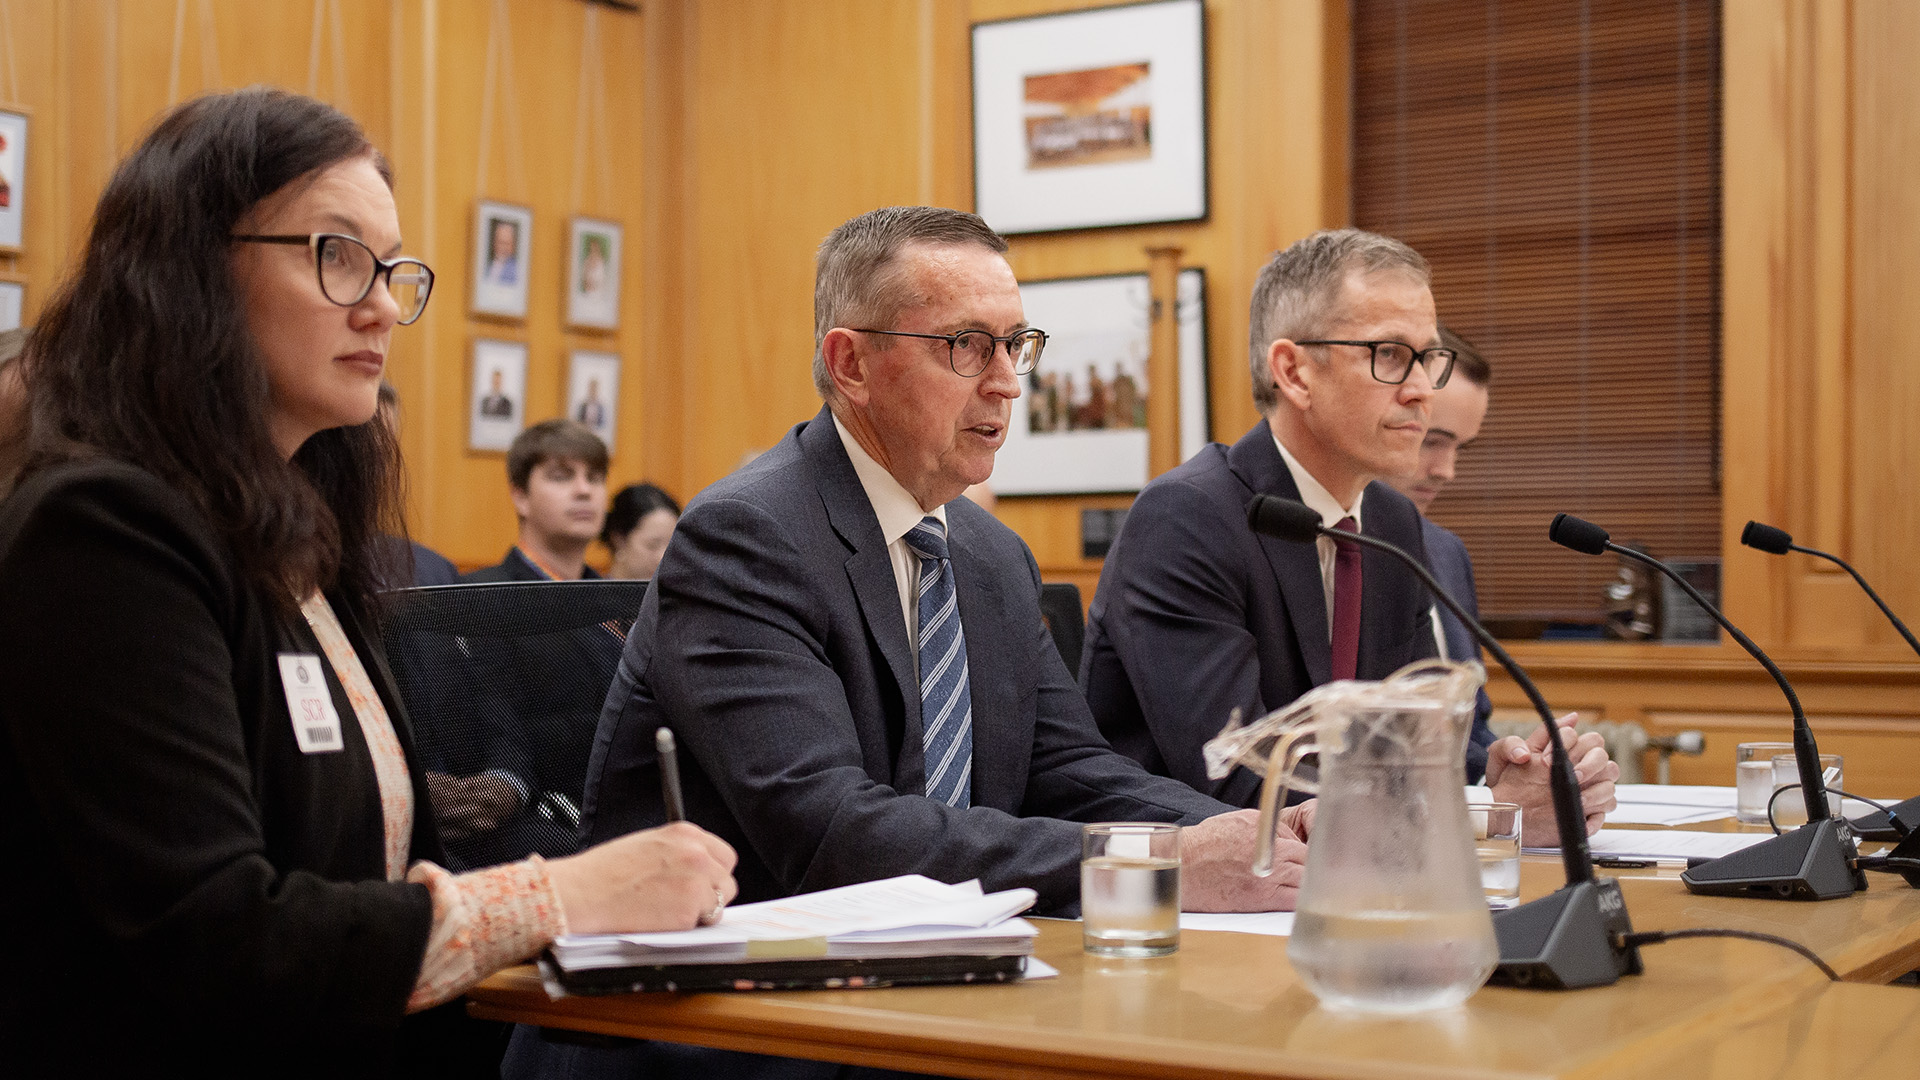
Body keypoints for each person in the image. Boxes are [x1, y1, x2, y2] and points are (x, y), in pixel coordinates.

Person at [0, 88, 737, 1074]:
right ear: (193, 266)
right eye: (338, 255)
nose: (383, 305)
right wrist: (564, 894)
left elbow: (368, 875)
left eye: (392, 269)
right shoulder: (102, 529)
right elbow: (219, 936)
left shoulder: (295, 534)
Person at [513, 204, 1313, 1080]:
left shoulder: (990, 554)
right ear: (850, 363)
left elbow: (1071, 770)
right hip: (732, 1034)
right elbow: (835, 835)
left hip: (926, 1000)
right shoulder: (747, 537)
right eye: (967, 345)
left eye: (1017, 345)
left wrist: (1252, 833)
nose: (1008, 383)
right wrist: (1163, 862)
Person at [1079, 229, 1616, 842]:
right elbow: (1242, 783)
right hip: (1183, 879)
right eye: (1390, 354)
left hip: (1350, 877)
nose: (1423, 390)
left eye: (1429, 358)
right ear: (1295, 373)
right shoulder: (1188, 517)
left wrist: (1504, 778)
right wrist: (1490, 817)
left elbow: (1414, 748)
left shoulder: (1390, 523)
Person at [465, 418, 608, 583]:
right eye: (561, 477)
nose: (584, 490)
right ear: (521, 497)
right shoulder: (473, 594)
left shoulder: (617, 596)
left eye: (594, 478)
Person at [372, 382, 460, 588]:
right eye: (362, 446)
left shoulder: (433, 573)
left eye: (386, 449)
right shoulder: (299, 567)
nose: (376, 463)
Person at [601, 481, 680, 581]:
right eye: (652, 545)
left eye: (671, 548)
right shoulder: (592, 590)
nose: (662, 558)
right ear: (619, 540)